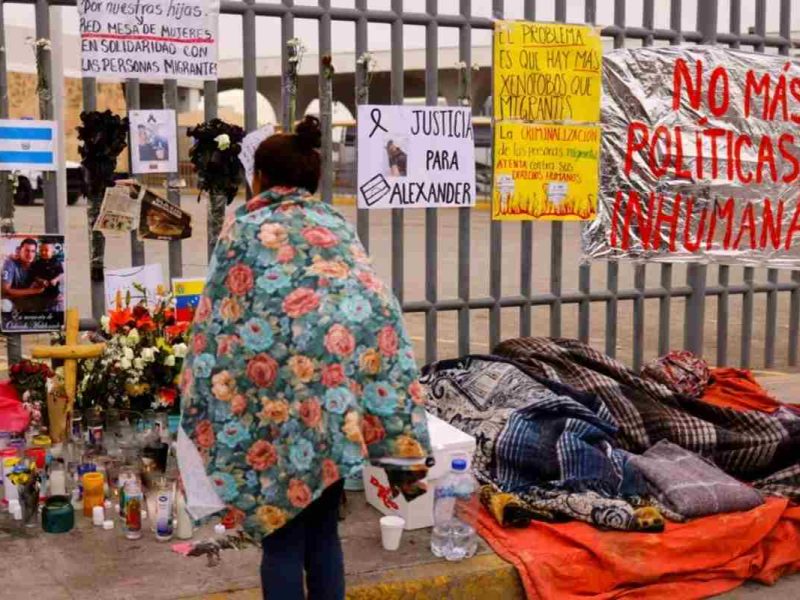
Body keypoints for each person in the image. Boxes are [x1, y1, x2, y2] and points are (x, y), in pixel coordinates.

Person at [177, 116, 432, 600]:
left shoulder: (245, 230)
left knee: (281, 543)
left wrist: (199, 399)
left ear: (260, 179)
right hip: (335, 415)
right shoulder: (337, 227)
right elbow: (376, 318)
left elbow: (215, 330)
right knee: (323, 534)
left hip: (271, 420)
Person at [1, 238, 45, 313]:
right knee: (4, 305)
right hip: (12, 301)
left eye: (33, 251)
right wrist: (33, 291)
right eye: (26, 250)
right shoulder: (10, 263)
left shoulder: (38, 264)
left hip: (29, 301)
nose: (30, 254)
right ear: (20, 251)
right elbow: (5, 291)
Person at [30, 242, 64, 311]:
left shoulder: (56, 262)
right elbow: (34, 275)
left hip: (54, 293)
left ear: (52, 252)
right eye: (41, 250)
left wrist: (55, 279)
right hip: (40, 293)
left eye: (46, 250)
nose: (43, 252)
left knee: (54, 308)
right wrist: (41, 280)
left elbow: (61, 274)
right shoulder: (37, 263)